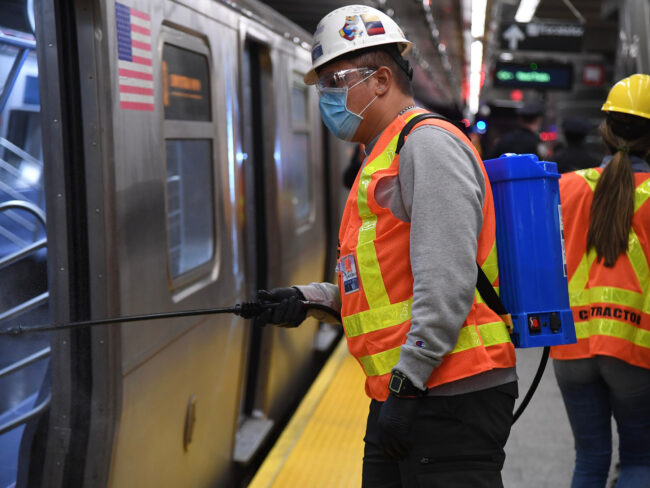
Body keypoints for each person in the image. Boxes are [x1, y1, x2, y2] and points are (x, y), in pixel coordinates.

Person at [255, 5, 517, 487]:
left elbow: (446, 283)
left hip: (450, 391)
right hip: (411, 388)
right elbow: (386, 287)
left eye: (335, 80)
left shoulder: (428, 145)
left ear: (379, 79)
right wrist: (311, 299)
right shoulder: (383, 151)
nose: (326, 97)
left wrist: (407, 383)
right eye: (323, 86)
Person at [550, 73, 650, 488]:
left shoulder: (566, 187)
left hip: (571, 348)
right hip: (636, 347)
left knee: (589, 461)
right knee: (639, 463)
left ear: (605, 130)